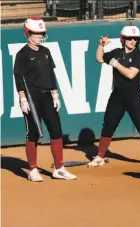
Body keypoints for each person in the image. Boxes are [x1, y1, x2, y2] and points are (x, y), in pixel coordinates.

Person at [87, 24, 140, 169]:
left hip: (134, 95)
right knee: (108, 124)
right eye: (129, 38)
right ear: (122, 39)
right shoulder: (116, 52)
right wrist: (101, 46)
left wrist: (116, 64)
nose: (132, 41)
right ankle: (100, 156)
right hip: (118, 94)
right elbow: (99, 59)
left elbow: (131, 74)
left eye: (135, 39)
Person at [13, 17, 77, 182]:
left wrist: (55, 93)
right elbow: (19, 78)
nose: (40, 36)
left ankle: (59, 168)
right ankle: (33, 170)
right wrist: (22, 98)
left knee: (56, 131)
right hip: (31, 98)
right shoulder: (22, 54)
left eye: (42, 33)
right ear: (28, 33)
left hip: (47, 96)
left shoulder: (46, 51)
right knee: (33, 133)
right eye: (36, 33)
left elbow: (50, 74)